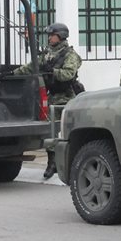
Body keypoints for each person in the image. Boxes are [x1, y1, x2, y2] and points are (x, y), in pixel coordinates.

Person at [13, 22, 82, 180]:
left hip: (67, 97)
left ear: (61, 36)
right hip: (53, 97)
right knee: (49, 130)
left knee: (70, 131)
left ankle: (72, 162)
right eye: (49, 35)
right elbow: (31, 67)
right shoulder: (47, 54)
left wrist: (52, 72)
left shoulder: (70, 55)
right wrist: (12, 73)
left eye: (52, 35)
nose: (50, 38)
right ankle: (53, 163)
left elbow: (68, 74)